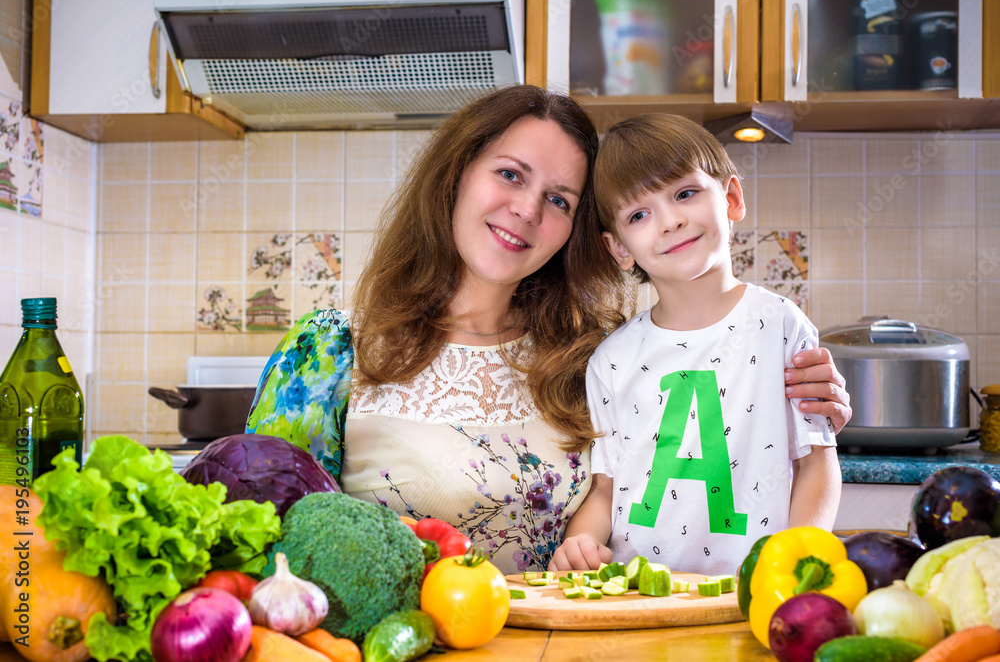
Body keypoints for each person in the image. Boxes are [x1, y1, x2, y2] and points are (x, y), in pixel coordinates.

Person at [246, 86, 852, 575]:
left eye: (560, 200)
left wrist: (813, 403)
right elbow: (262, 544)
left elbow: (722, 429)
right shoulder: (328, 351)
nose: (529, 210)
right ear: (456, 174)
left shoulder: (593, 356)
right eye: (510, 175)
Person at [549, 113, 842, 577]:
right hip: (637, 596)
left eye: (684, 193)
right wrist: (580, 544)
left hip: (754, 591)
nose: (671, 221)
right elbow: (605, 490)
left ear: (731, 198)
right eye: (639, 214)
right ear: (619, 249)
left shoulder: (780, 325)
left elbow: (815, 466)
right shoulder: (611, 360)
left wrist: (797, 563)